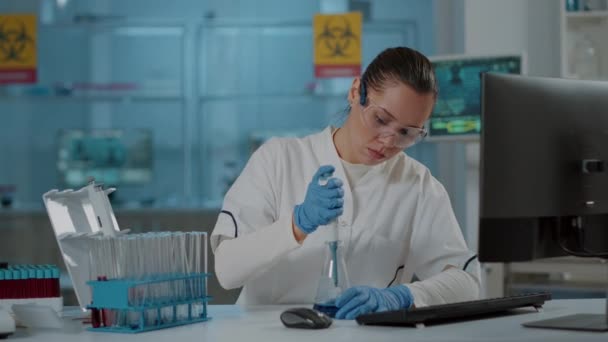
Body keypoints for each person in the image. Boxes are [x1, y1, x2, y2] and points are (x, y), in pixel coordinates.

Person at [210, 46, 481, 320]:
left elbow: (468, 281)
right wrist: (296, 225)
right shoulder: (278, 159)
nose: (388, 141)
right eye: (381, 119)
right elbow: (227, 270)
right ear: (355, 92)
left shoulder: (418, 185)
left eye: (406, 133)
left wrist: (403, 296)